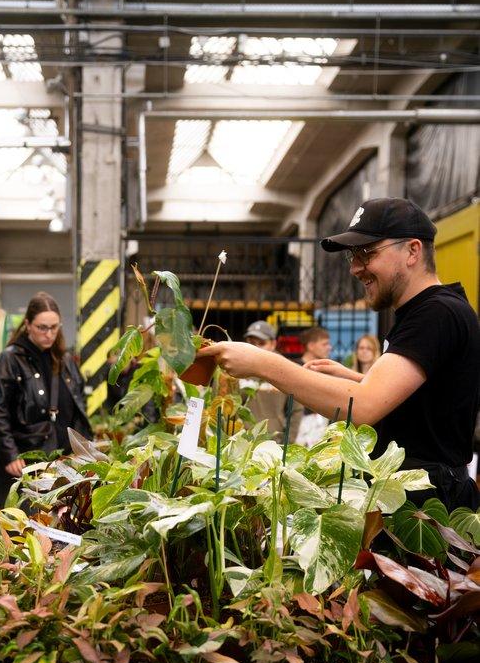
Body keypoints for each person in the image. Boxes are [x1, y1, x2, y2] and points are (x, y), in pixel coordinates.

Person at [198, 198, 480, 511]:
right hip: (410, 500)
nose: (355, 268)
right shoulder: (424, 312)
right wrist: (356, 379)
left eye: (367, 253)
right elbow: (428, 402)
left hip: (427, 511)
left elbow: (364, 407)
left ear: (412, 251)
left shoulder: (436, 313)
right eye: (352, 256)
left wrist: (261, 363)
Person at [0, 291, 91, 508]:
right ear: (27, 324)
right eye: (42, 327)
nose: (49, 334)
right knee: (23, 523)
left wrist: (82, 451)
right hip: (24, 460)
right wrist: (10, 455)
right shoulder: (10, 359)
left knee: (61, 524)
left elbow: (80, 404)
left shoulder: (66, 361)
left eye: (54, 327)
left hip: (63, 462)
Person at [240, 321, 303, 444]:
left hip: (273, 442)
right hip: (241, 442)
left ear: (273, 344)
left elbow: (296, 410)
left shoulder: (286, 369)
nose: (256, 348)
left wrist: (287, 443)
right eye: (252, 343)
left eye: (262, 343)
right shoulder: (236, 368)